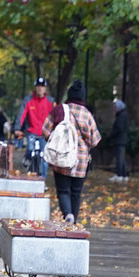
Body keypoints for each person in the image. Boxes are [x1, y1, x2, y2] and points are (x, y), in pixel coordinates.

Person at [42, 80, 102, 223]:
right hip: (81, 161)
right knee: (76, 193)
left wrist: (56, 141)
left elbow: (45, 130)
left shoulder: (59, 110)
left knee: (63, 190)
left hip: (62, 157)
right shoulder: (87, 114)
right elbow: (95, 140)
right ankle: (73, 223)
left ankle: (67, 214)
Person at [16, 77, 55, 177]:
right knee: (29, 149)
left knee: (44, 158)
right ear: (35, 87)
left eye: (42, 86)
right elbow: (22, 115)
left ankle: (43, 181)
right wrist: (17, 128)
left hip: (45, 134)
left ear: (45, 88)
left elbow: (56, 117)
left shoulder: (50, 101)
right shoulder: (28, 100)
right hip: (31, 131)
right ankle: (27, 160)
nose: (40, 89)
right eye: (38, 86)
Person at [109, 98, 130, 182]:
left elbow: (119, 128)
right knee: (121, 158)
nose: (114, 108)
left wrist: (112, 134)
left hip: (119, 140)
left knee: (119, 158)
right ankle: (123, 174)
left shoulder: (121, 116)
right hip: (121, 140)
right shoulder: (123, 115)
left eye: (115, 106)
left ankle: (120, 174)